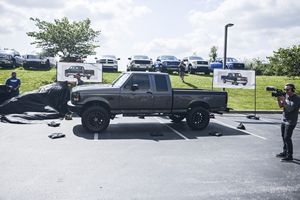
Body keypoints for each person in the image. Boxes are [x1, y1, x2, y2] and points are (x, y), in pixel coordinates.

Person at [276, 83, 300, 162]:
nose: (286, 91)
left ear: (292, 90)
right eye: (285, 89)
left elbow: (290, 109)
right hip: (284, 120)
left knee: (287, 138)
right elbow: (280, 106)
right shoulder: (286, 96)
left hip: (291, 121)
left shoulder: (296, 98)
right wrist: (279, 99)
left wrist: (284, 100)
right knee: (283, 137)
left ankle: (290, 156)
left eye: (287, 89)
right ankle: (285, 152)